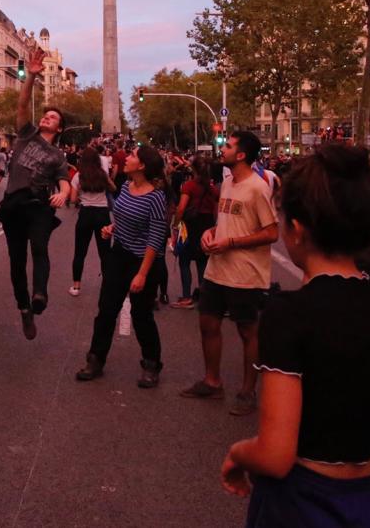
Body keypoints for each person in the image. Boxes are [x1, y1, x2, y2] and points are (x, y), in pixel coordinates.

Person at [220, 144, 370, 528]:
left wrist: (238, 454)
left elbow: (275, 454)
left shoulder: (288, 314)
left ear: (297, 229)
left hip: (306, 503)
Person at [181, 131, 278, 417]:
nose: (222, 149)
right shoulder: (226, 183)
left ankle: (248, 392)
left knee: (248, 331)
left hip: (245, 273)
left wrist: (232, 242)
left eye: (229, 146)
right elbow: (227, 221)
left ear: (242, 155)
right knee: (208, 324)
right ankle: (212, 381)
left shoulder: (257, 188)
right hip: (217, 270)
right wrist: (211, 233)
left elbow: (272, 232)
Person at [75, 146, 167, 387]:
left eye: (133, 156)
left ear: (142, 165)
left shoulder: (156, 197)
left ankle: (151, 364)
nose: (127, 158)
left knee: (141, 314)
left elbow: (156, 237)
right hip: (119, 255)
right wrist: (112, 228)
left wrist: (142, 274)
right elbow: (123, 217)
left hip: (143, 261)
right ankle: (95, 360)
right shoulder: (126, 186)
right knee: (106, 310)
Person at [0, 46, 71, 340]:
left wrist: (63, 194)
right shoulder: (27, 133)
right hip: (14, 205)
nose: (47, 118)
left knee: (39, 247)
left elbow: (65, 181)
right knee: (16, 262)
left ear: (59, 128)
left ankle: (40, 294)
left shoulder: (57, 155)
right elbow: (23, 105)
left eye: (53, 117)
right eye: (46, 115)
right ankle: (24, 308)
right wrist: (30, 76)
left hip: (38, 205)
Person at [171, 156, 219, 309]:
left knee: (184, 262)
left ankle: (186, 297)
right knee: (202, 263)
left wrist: (175, 226)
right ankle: (204, 297)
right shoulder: (213, 189)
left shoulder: (189, 186)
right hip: (206, 225)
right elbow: (216, 212)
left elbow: (181, 208)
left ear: (194, 169)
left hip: (190, 226)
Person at [68, 146, 114, 297]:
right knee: (105, 252)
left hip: (86, 213)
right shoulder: (102, 174)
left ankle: (76, 286)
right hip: (102, 214)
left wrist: (80, 197)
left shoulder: (79, 176)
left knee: (80, 251)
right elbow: (113, 188)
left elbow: (73, 199)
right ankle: (108, 285)